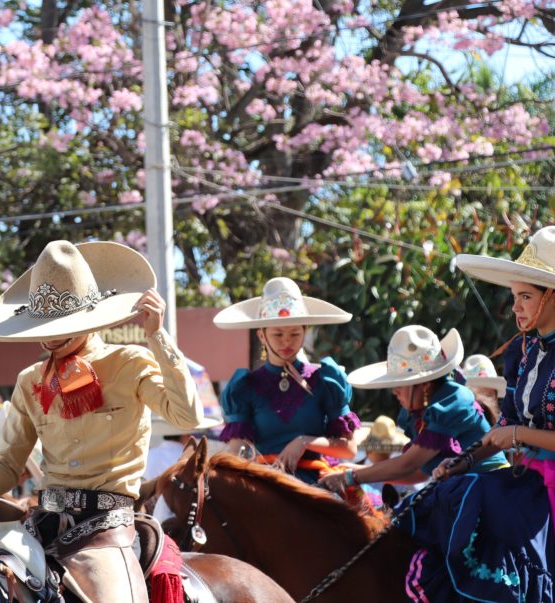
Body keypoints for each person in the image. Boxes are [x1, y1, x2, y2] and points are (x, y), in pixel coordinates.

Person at [0, 240, 205, 603]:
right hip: (41, 521)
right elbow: (6, 465)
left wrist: (157, 336)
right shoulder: (29, 381)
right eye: (43, 324)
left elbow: (187, 415)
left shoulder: (130, 362)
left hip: (109, 530)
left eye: (62, 323)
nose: (50, 336)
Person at [398, 226, 555, 602]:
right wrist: (464, 460)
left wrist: (517, 437)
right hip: (527, 481)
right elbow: (504, 427)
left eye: (525, 296)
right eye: (514, 296)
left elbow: (512, 433)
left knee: (480, 503)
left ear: (552, 297)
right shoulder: (524, 352)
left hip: (545, 490)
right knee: (454, 491)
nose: (515, 306)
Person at [318, 326, 507, 497]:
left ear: (423, 385)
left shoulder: (453, 402)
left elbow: (407, 464)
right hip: (461, 489)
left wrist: (351, 477)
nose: (394, 391)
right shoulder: (422, 413)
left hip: (487, 490)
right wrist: (354, 471)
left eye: (399, 384)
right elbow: (419, 473)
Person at [212, 277, 361, 483]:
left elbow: (349, 449)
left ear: (305, 331)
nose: (287, 341)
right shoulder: (245, 387)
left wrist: (304, 442)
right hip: (265, 485)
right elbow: (237, 450)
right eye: (278, 334)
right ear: (262, 336)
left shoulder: (326, 381)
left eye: (294, 333)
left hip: (316, 483)